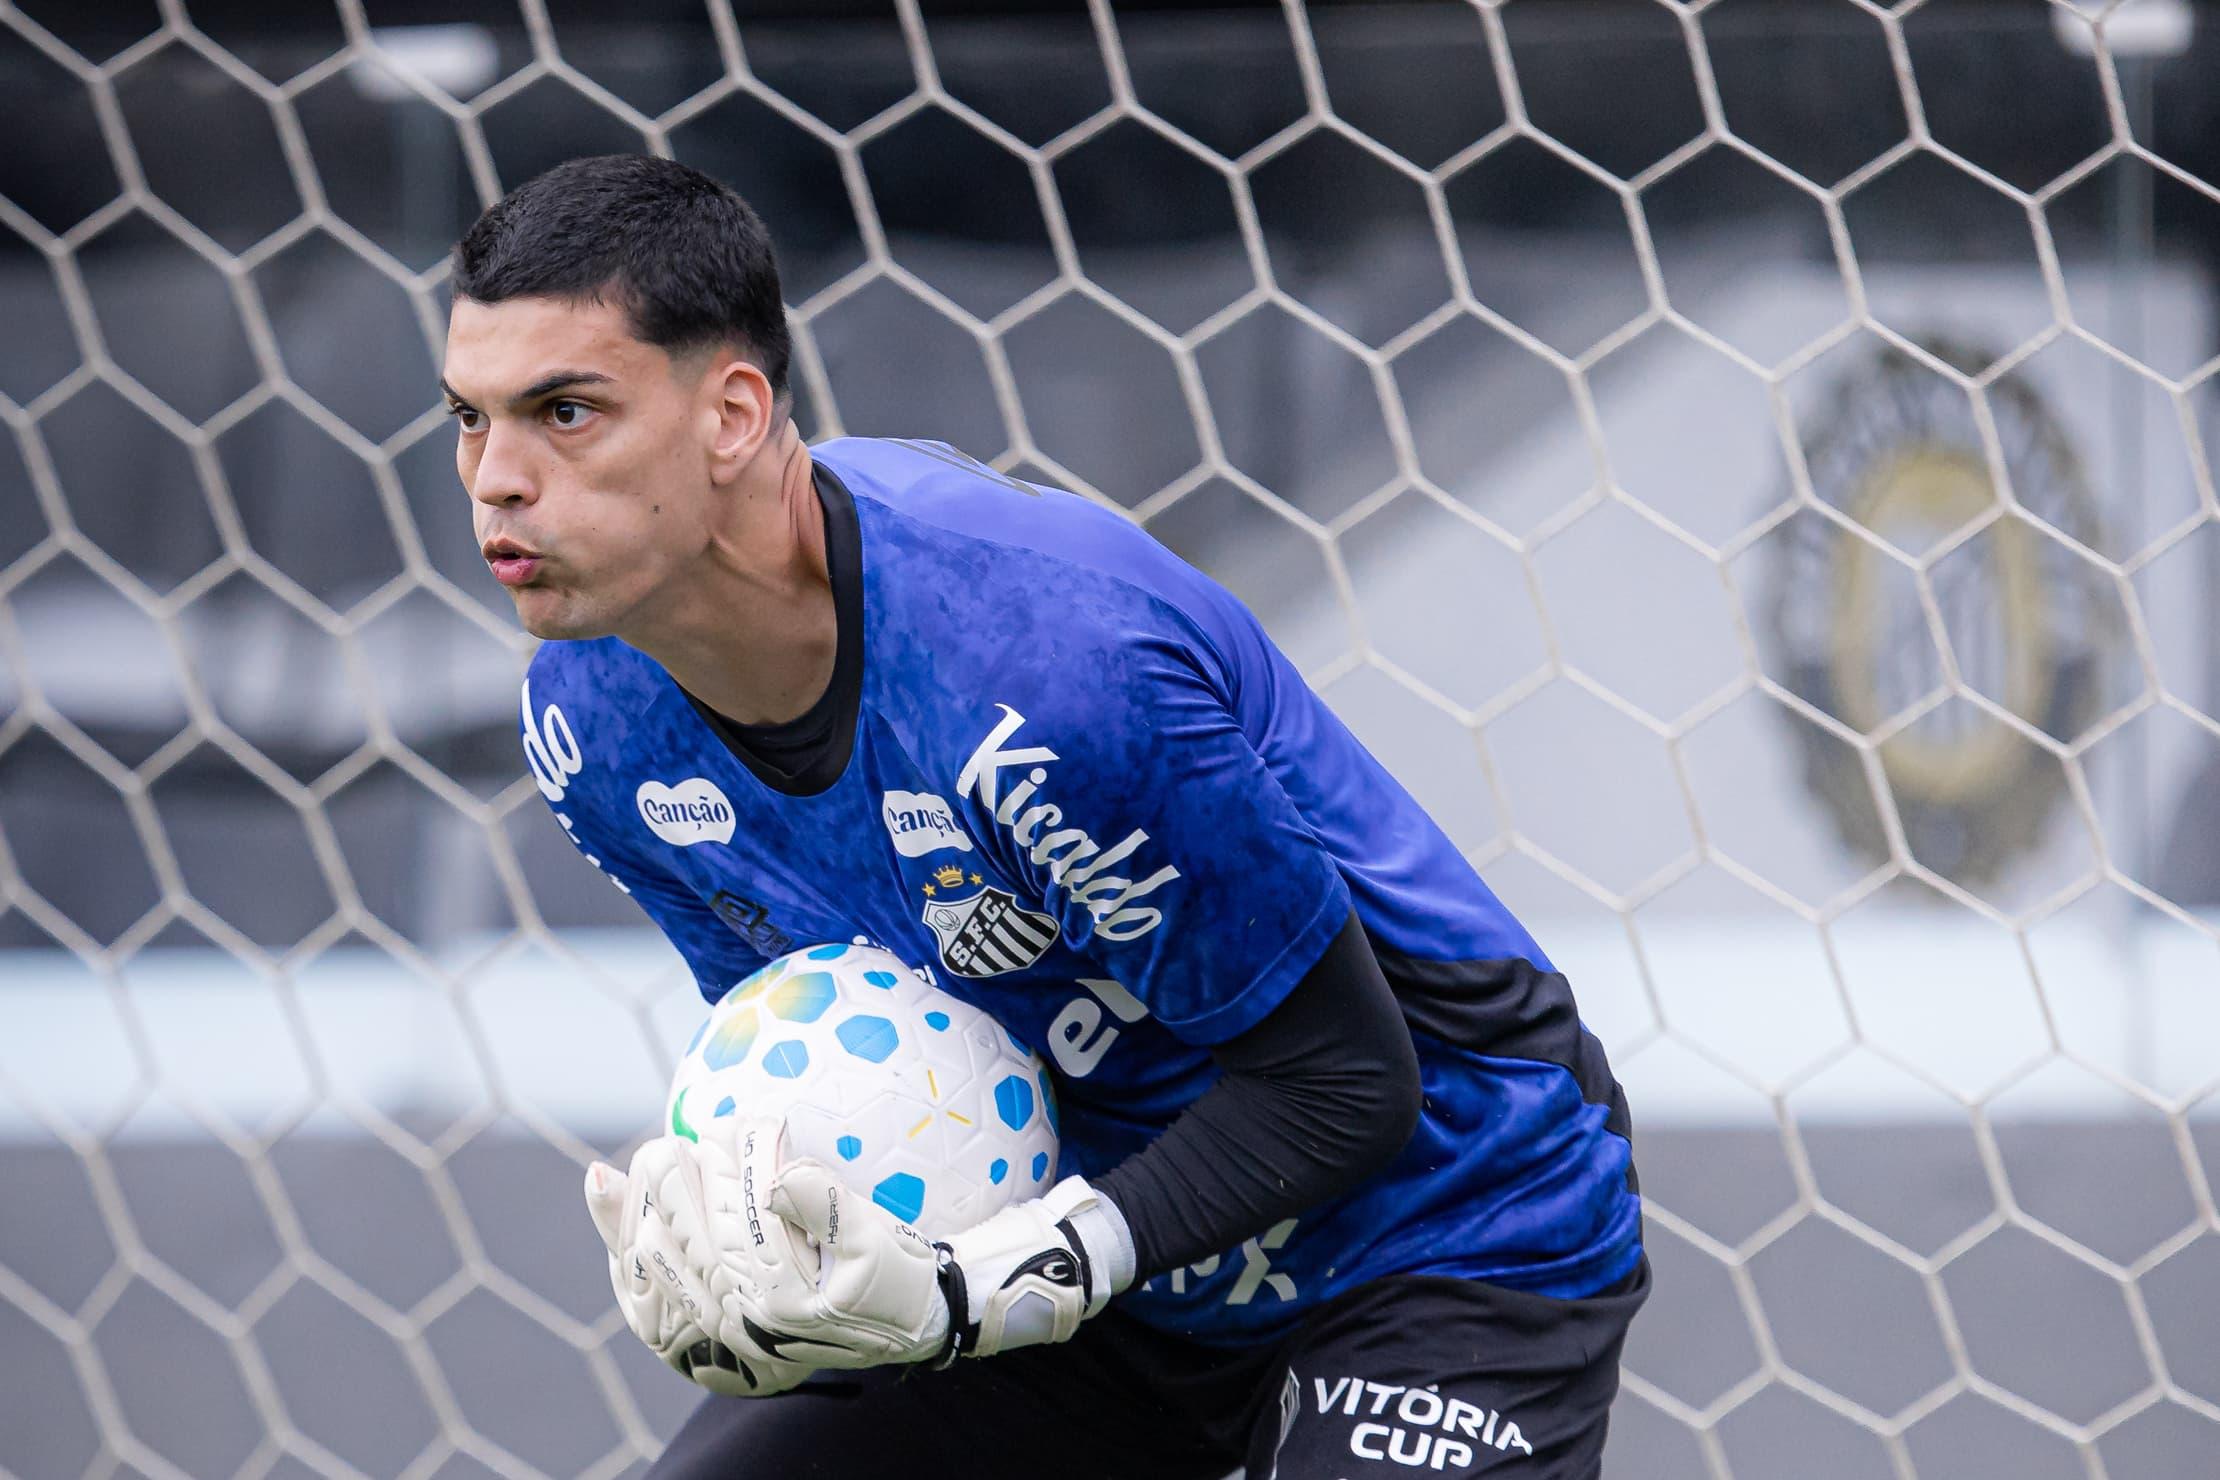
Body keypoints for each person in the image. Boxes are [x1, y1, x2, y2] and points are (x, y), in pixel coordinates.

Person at [446, 153, 1646, 1479]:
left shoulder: (1044, 671)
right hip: (1083, 1269)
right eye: (468, 418)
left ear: (733, 414)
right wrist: (762, 1242)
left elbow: (1348, 1085)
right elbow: (862, 1041)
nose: (495, 478)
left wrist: (1017, 1279)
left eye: (562, 412)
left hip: (1432, 1235)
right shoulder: (589, 730)